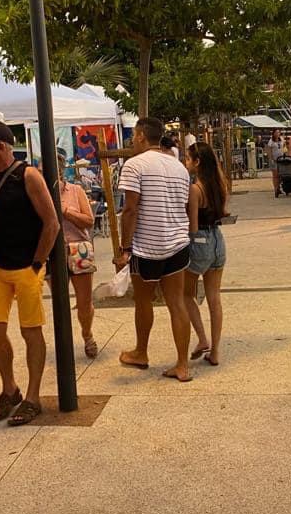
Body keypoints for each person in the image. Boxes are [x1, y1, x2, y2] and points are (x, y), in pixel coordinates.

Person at [0, 120, 60, 427]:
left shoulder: (28, 175)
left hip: (25, 265)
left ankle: (33, 397)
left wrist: (37, 263)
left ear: (1, 146)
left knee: (30, 331)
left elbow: (51, 222)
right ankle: (10, 388)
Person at [116, 116, 192, 382]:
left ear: (140, 136)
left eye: (133, 135)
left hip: (147, 246)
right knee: (177, 303)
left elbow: (130, 209)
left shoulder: (134, 165)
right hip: (177, 243)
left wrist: (124, 248)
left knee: (143, 300)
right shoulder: (179, 167)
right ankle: (182, 365)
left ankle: (141, 352)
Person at [184, 143, 228, 367]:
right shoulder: (220, 185)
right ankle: (216, 351)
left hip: (199, 240)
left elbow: (192, 226)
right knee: (214, 298)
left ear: (197, 162)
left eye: (188, 158)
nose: (186, 163)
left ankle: (202, 339)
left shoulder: (195, 189)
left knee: (185, 293)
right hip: (218, 240)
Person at [58, 159, 98, 358]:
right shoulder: (39, 194)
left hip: (77, 248)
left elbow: (89, 221)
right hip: (54, 252)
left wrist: (65, 211)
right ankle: (64, 340)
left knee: (84, 301)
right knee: (59, 302)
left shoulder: (76, 191)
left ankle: (87, 334)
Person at [266, 129, 285, 196]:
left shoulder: (281, 139)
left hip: (281, 159)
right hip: (274, 160)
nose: (278, 133)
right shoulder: (271, 141)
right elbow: (269, 150)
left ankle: (279, 187)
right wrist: (271, 158)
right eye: (276, 132)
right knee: (275, 175)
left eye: (278, 132)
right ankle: (276, 189)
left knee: (281, 175)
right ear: (273, 133)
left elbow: (284, 147)